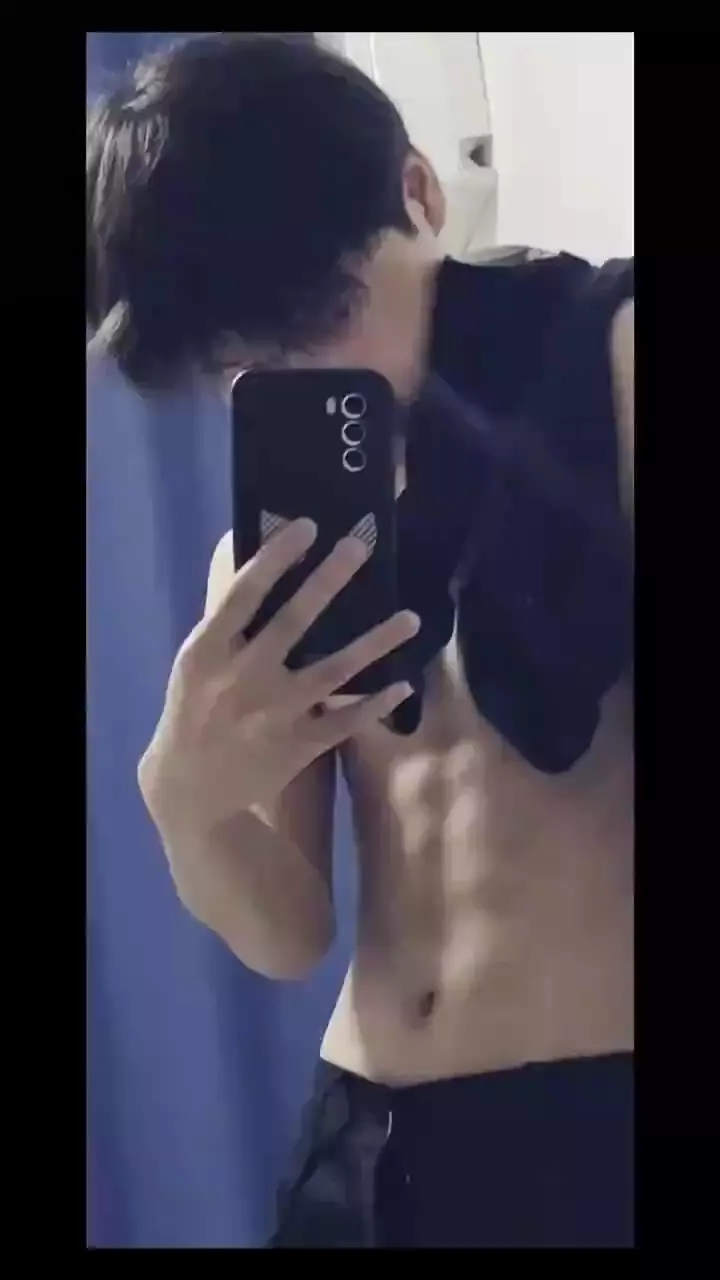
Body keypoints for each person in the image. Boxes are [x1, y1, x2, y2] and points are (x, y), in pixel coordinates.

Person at [87, 33, 634, 1248]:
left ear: (421, 194)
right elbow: (288, 930)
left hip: (590, 1127)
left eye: (329, 311)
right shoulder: (273, 552)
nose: (309, 371)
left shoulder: (614, 360)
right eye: (249, 358)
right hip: (363, 1144)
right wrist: (184, 801)